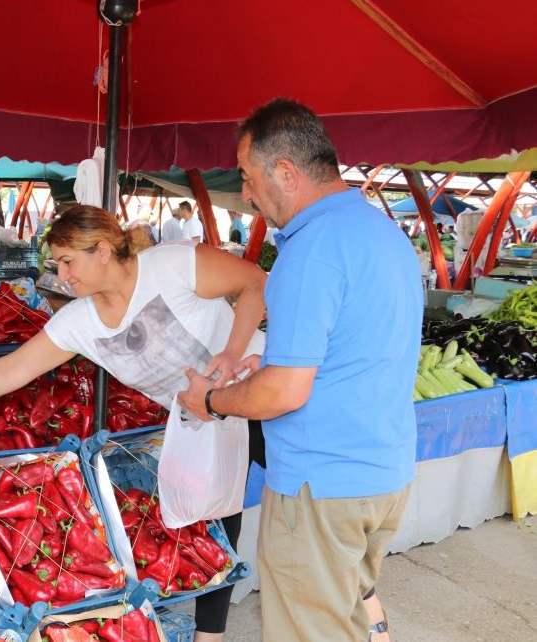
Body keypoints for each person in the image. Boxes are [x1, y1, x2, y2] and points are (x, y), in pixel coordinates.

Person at [0, 205, 268, 642]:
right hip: (204, 416)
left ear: (104, 250)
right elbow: (10, 371)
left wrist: (231, 353)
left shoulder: (171, 265)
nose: (63, 276)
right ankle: (211, 636)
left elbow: (254, 281)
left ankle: (366, 611)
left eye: (69, 261)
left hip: (262, 388)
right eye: (58, 265)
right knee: (215, 515)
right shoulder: (79, 321)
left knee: (314, 503)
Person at [178, 98, 421, 642]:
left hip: (322, 485)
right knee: (347, 619)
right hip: (385, 472)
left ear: (286, 172)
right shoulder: (380, 231)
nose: (245, 192)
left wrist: (211, 402)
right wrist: (272, 358)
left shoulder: (310, 250)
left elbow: (284, 394)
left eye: (248, 177)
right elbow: (365, 341)